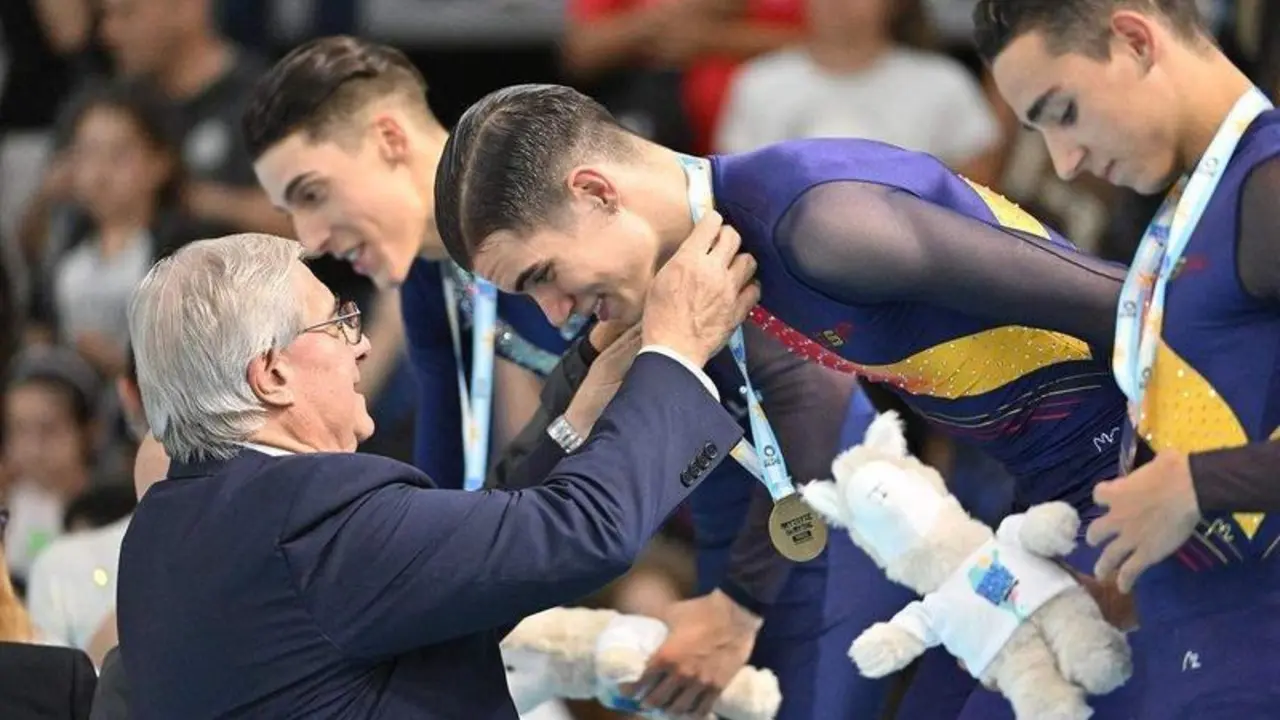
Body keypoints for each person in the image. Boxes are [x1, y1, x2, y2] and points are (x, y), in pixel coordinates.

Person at [241, 36, 920, 720]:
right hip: (718, 528)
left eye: (312, 193)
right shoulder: (432, 283)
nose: (310, 237)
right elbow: (451, 492)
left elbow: (812, 390)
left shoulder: (569, 209)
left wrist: (742, 602)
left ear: (389, 138)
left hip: (814, 508)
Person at [433, 83, 1145, 718]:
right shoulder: (714, 260)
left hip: (1126, 485)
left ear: (594, 191)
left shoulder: (816, 222)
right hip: (1052, 503)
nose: (557, 314)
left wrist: (1188, 489)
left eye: (545, 275)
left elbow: (1142, 310)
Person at [117, 230, 756, 719]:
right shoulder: (309, 513)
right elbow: (584, 531)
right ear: (272, 375)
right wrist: (674, 352)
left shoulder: (163, 532)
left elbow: (461, 581)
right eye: (338, 322)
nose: (361, 344)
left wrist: (573, 423)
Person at [976, 1, 1280, 716]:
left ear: (1136, 41)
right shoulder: (1188, 204)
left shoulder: (1269, 190)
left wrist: (1198, 485)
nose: (1064, 160)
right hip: (1201, 635)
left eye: (1064, 111)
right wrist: (1128, 579)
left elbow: (1205, 476)